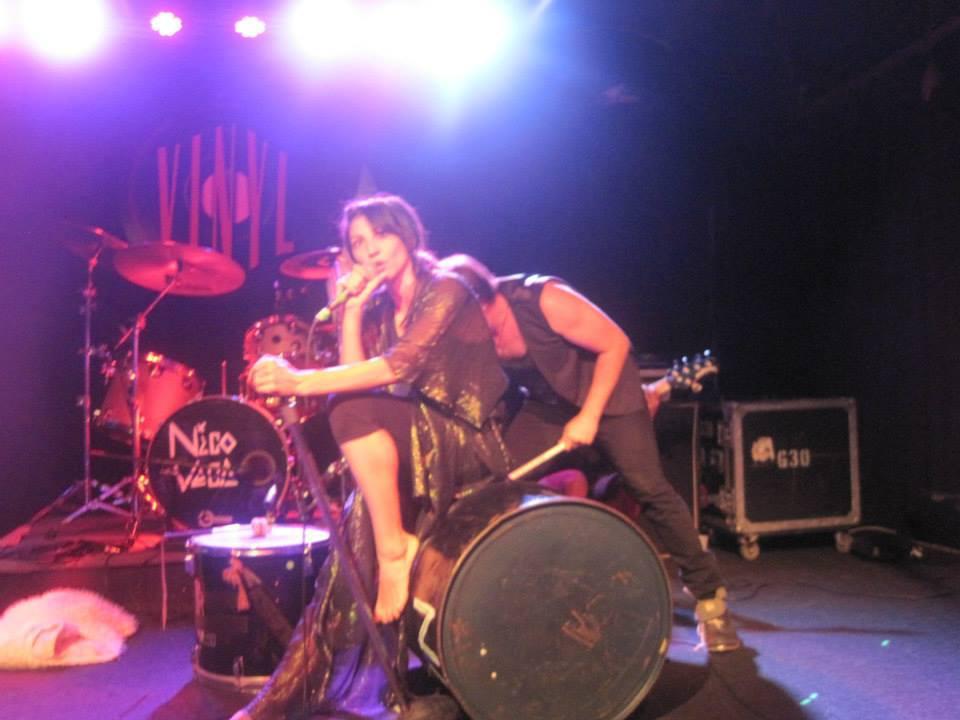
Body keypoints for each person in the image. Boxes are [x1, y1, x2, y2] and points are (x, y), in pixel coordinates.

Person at [233, 196, 512, 719]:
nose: (371, 250)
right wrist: (354, 310)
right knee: (345, 566)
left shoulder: (446, 287)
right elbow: (357, 382)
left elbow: (399, 367)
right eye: (358, 243)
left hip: (466, 438)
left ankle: (393, 549)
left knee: (347, 414)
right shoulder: (385, 306)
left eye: (380, 235)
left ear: (406, 232)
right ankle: (275, 702)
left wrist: (299, 381)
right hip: (417, 439)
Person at [437, 254, 742, 653]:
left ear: (483, 300)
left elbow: (616, 344)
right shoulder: (470, 331)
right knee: (498, 482)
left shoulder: (542, 298)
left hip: (611, 397)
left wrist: (589, 415)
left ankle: (711, 600)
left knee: (649, 488)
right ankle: (509, 592)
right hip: (548, 406)